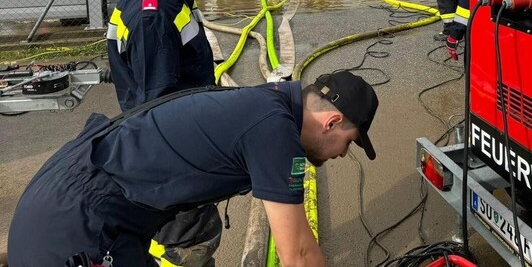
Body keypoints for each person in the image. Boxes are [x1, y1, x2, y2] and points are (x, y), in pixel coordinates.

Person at [7, 70, 380, 267]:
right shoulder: (274, 130)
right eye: (349, 142)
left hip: (66, 191)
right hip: (76, 226)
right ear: (331, 122)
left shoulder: (268, 103)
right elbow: (297, 255)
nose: (343, 155)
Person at [105, 0, 221, 266]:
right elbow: (158, 101)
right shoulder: (154, 11)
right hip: (175, 150)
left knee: (165, 234)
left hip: (168, 143)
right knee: (188, 241)